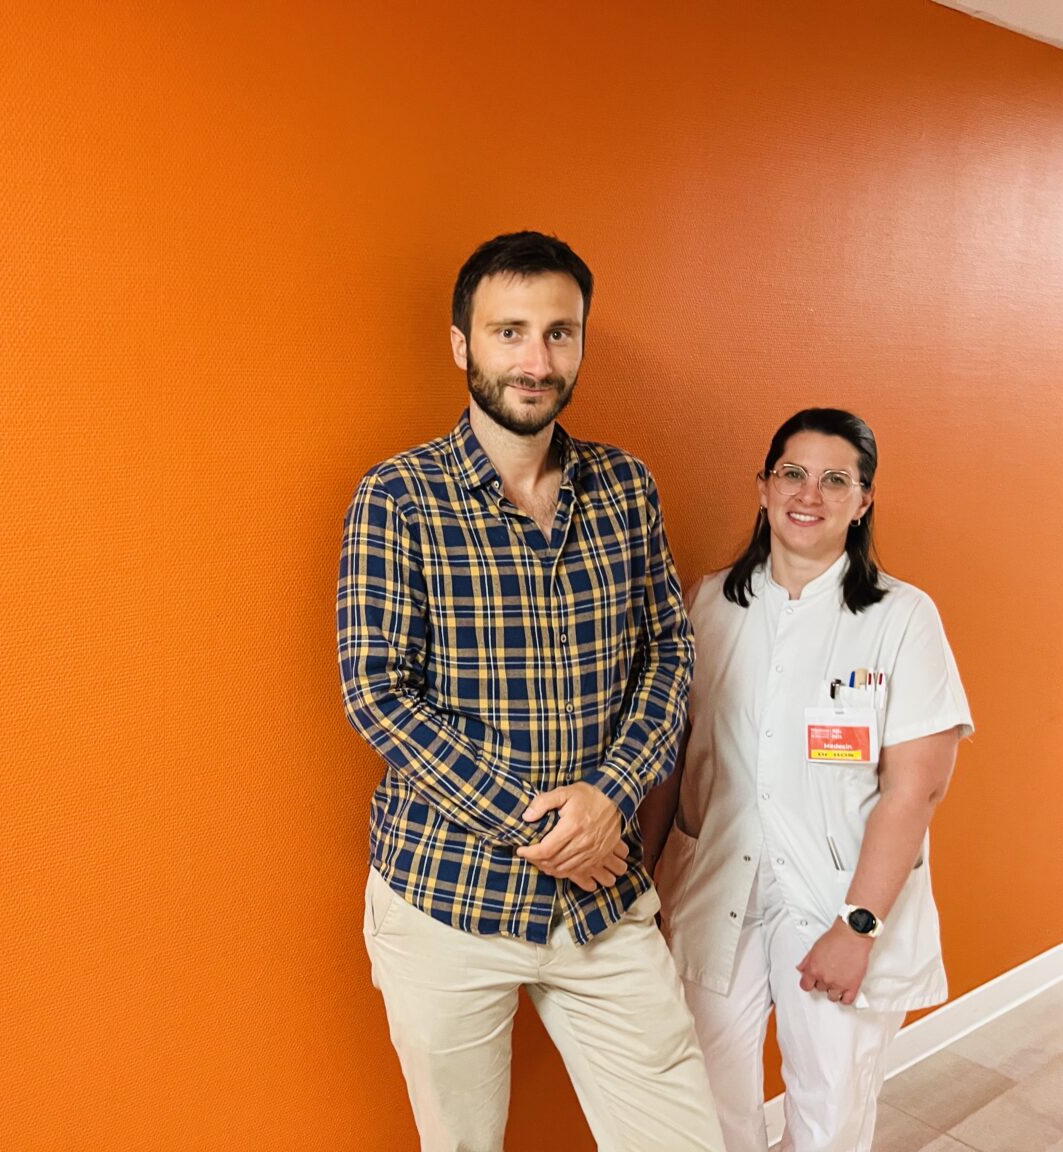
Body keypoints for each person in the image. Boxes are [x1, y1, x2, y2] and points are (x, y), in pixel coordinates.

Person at [337, 230, 724, 1152]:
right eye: (509, 332)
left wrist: (611, 799)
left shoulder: (625, 487)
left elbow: (668, 653)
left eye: (559, 333)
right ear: (462, 344)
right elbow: (377, 691)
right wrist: (547, 828)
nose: (536, 361)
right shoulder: (398, 497)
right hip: (445, 897)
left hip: (601, 899)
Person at [640, 408, 974, 1152]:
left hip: (838, 902)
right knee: (704, 1112)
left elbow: (915, 790)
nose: (809, 494)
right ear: (763, 486)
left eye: (835, 480)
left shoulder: (901, 618)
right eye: (792, 473)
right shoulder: (706, 603)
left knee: (828, 1121)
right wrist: (646, 883)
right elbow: (673, 756)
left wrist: (858, 926)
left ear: (864, 501)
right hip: (714, 894)